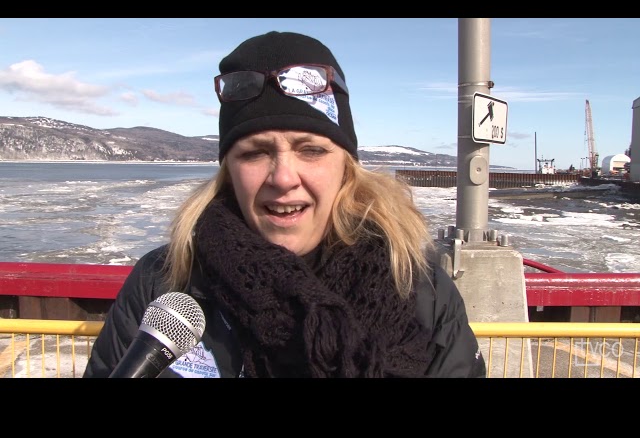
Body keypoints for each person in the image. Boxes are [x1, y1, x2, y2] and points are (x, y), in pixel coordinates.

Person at [83, 30, 486, 378]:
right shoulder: (165, 280)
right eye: (255, 153)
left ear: (346, 168)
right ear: (229, 171)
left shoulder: (418, 286)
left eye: (310, 150)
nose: (282, 177)